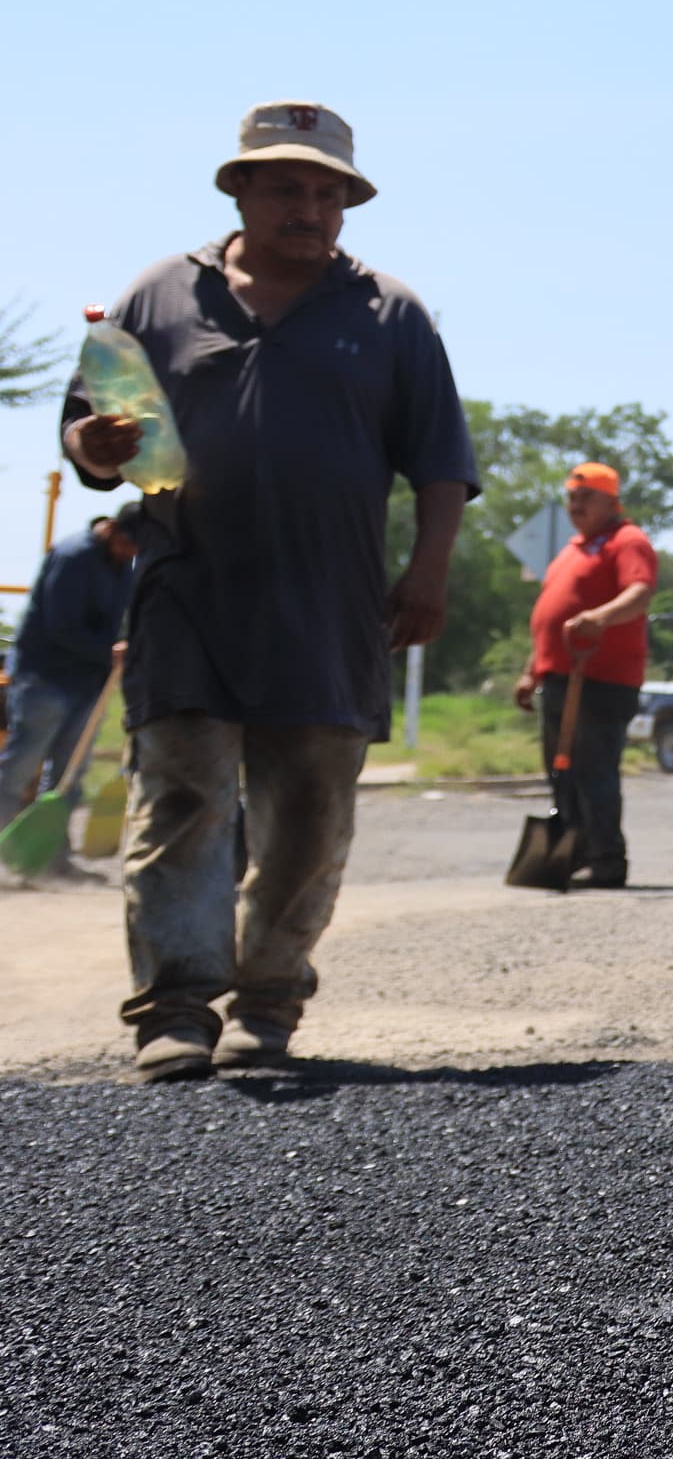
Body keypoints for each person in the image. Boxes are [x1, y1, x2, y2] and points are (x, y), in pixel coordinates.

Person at [60, 100, 476, 1081]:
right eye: (287, 185)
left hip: (330, 606)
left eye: (329, 191)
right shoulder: (160, 295)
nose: (311, 206)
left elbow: (442, 463)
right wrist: (96, 445)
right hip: (188, 592)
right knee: (183, 798)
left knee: (308, 812)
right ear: (238, 188)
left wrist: (427, 570)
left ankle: (270, 1000)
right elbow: (91, 432)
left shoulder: (389, 312)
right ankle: (176, 1006)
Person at [508, 462, 657, 891]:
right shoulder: (571, 549)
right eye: (571, 498)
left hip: (602, 680)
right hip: (560, 677)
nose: (575, 505)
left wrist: (599, 617)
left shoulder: (626, 541)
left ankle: (607, 860)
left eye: (585, 497)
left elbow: (639, 592)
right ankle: (571, 853)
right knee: (561, 772)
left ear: (611, 501)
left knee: (593, 771)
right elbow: (547, 619)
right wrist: (530, 672)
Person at [0, 514, 142, 856]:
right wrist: (107, 652)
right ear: (110, 529)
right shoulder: (73, 557)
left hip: (88, 682)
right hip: (46, 678)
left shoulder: (122, 565)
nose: (131, 552)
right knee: (20, 767)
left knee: (70, 776)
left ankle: (50, 856)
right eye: (128, 544)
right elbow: (60, 626)